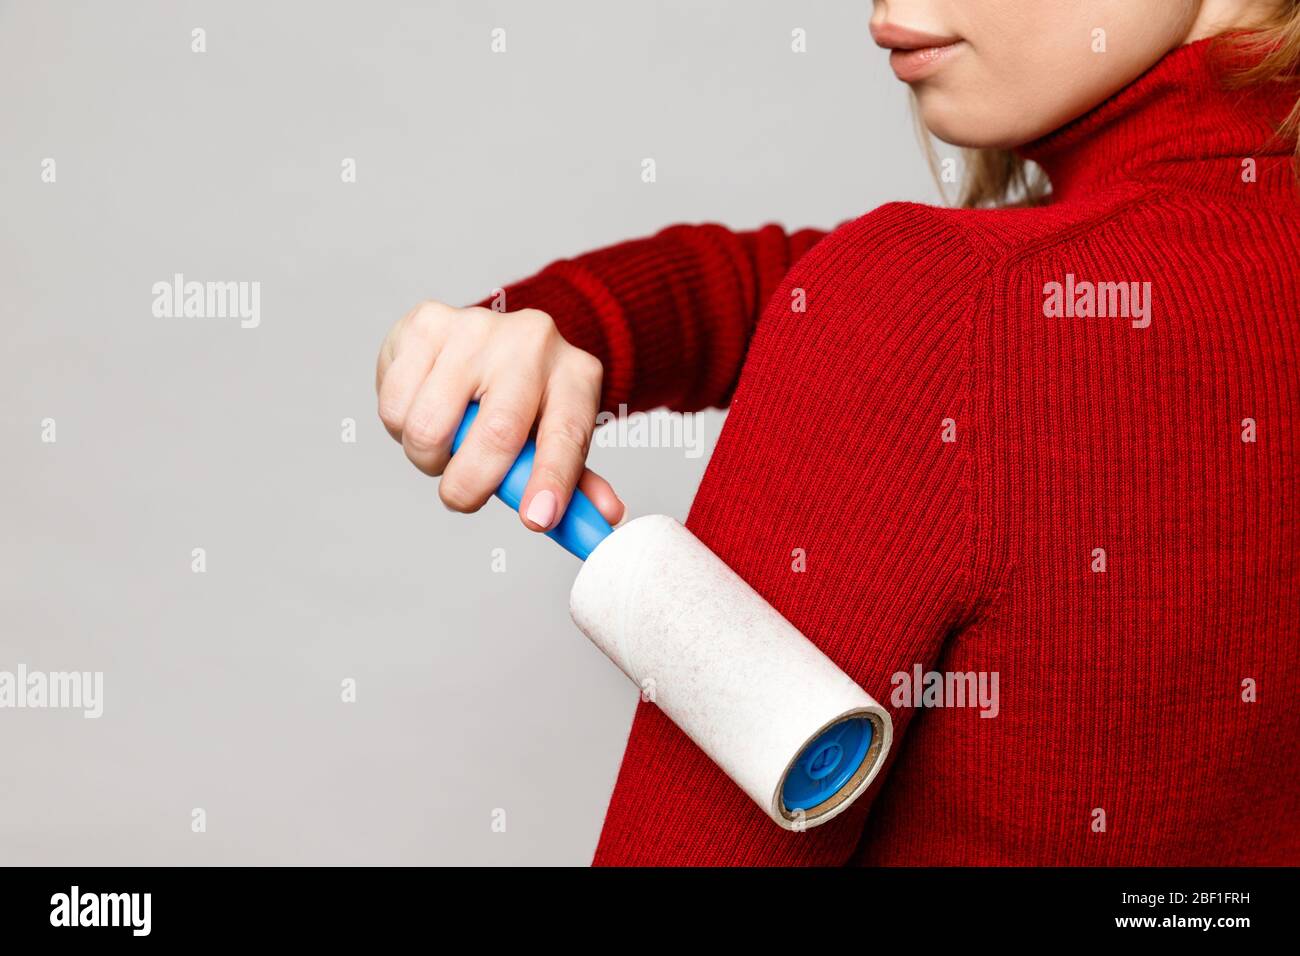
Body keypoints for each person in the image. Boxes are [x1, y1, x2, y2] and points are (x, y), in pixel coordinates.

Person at [375, 0, 1300, 865]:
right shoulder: (984, 308)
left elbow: (902, 319)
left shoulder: (935, 316)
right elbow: (804, 287)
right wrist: (575, 320)